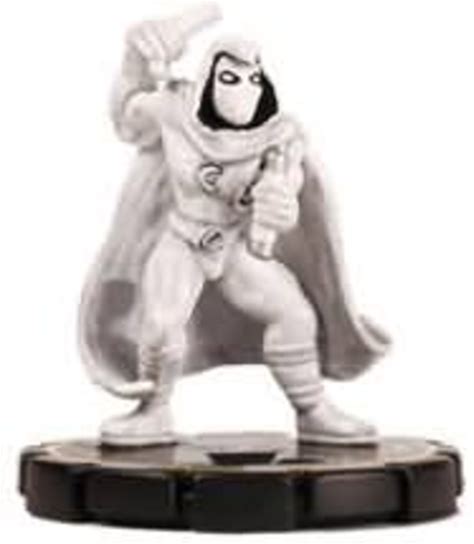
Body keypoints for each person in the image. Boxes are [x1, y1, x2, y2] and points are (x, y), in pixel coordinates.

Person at [79, 7, 390, 446]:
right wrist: (134, 62)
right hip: (184, 238)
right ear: (209, 77)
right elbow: (127, 120)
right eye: (230, 77)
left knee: (294, 314)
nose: (243, 89)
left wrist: (280, 205)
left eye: (252, 78)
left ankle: (312, 409)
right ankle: (153, 411)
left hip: (235, 244)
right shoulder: (174, 112)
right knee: (161, 324)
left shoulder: (278, 138)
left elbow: (288, 190)